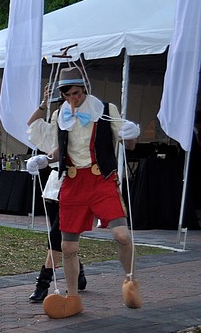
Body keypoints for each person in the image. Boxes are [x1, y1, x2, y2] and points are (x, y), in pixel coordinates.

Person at [27, 66, 141, 318]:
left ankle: (130, 281)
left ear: (85, 90)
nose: (73, 100)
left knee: (122, 235)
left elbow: (126, 141)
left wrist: (132, 135)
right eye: (68, 95)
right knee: (67, 247)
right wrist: (46, 160)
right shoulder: (60, 114)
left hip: (102, 180)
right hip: (73, 183)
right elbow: (60, 149)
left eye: (77, 94)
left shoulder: (105, 109)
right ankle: (73, 298)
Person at [27, 161, 86, 302]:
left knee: (55, 236)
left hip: (75, 183)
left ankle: (43, 283)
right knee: (60, 238)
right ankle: (79, 274)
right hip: (54, 184)